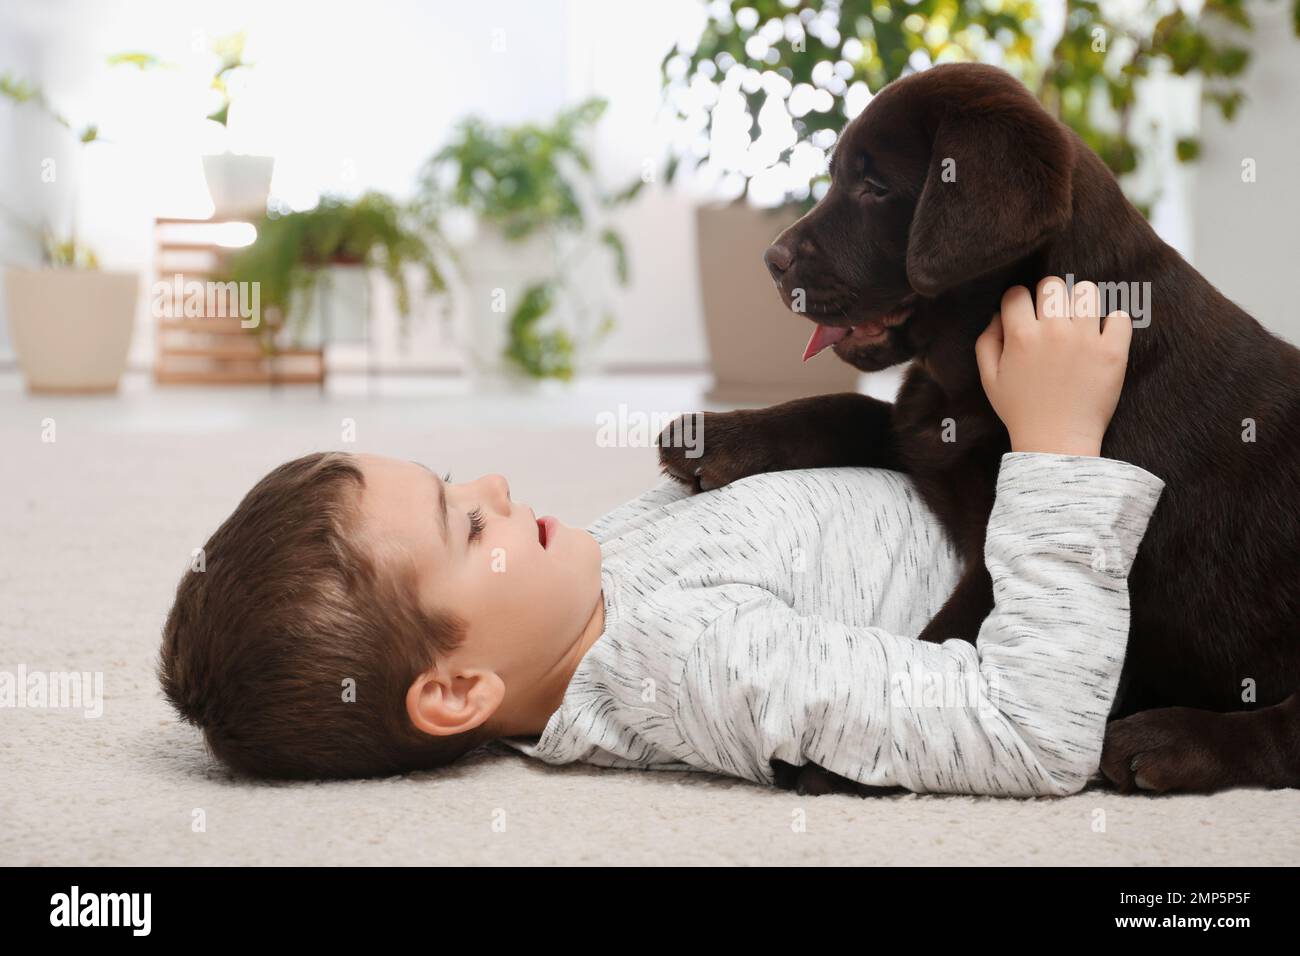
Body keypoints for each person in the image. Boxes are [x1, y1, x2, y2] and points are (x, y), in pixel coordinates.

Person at [159, 277, 1162, 796]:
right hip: (1137, 572)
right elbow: (1032, 730)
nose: (496, 484)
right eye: (465, 521)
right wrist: (1058, 443)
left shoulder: (588, 583)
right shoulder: (686, 664)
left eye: (456, 481)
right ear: (457, 690)